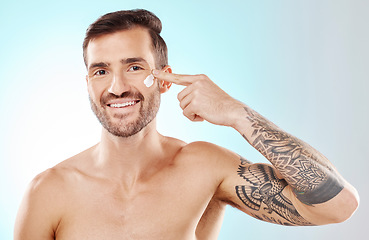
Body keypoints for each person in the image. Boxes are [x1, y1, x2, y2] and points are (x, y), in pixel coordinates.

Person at [14, 9, 359, 240]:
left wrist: (237, 113)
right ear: (88, 82)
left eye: (134, 67)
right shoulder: (48, 191)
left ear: (165, 79)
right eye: (101, 71)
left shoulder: (203, 167)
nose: (117, 86)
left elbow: (338, 205)